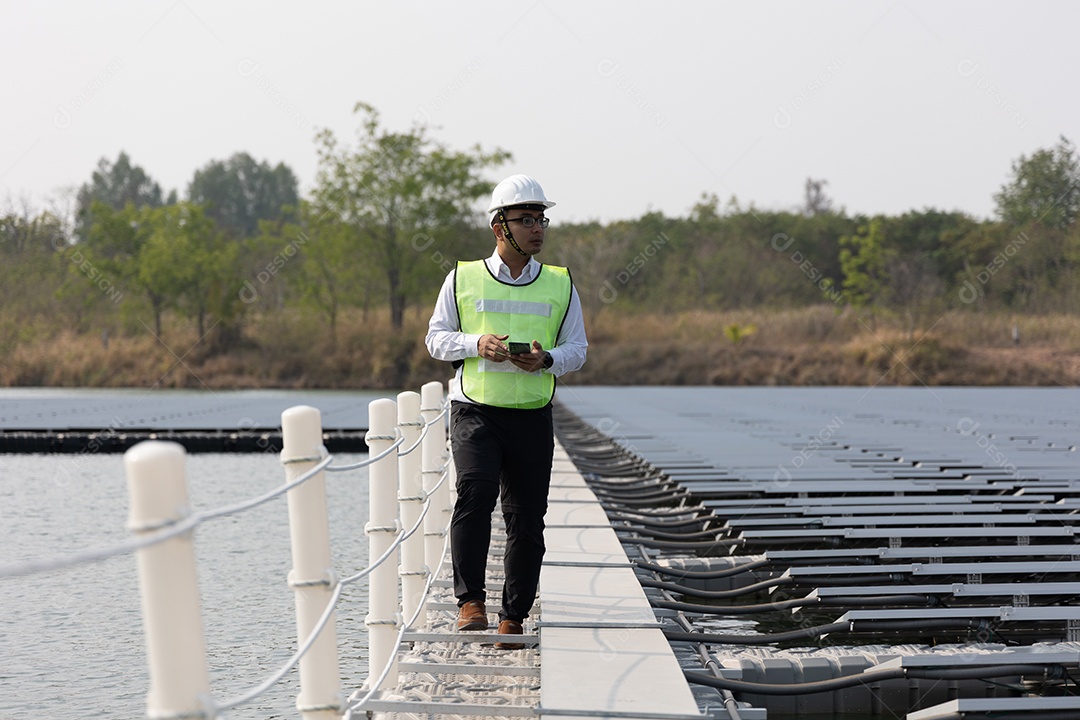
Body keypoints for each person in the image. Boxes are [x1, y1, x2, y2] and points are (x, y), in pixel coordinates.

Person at [425, 174, 588, 648]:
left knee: (526, 518)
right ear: (500, 227)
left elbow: (578, 349)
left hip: (531, 414)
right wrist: (475, 343)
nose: (538, 228)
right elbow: (436, 339)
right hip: (475, 411)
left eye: (541, 220)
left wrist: (547, 359)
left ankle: (512, 618)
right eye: (527, 220)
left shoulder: (560, 283)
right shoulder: (461, 278)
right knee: (475, 494)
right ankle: (470, 602)